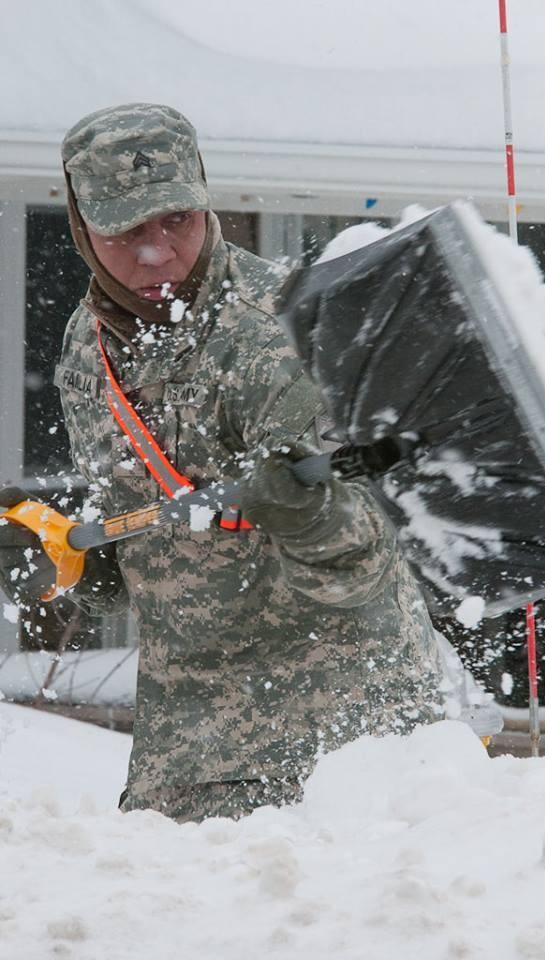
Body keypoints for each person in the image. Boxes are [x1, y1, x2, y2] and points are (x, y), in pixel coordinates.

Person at [0, 103, 444, 823]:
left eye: (176, 220)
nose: (156, 253)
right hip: (186, 749)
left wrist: (312, 517)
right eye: (124, 230)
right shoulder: (88, 343)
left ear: (205, 199)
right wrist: (74, 562)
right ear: (81, 227)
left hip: (333, 746)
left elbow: (363, 568)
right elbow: (161, 542)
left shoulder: (280, 335)